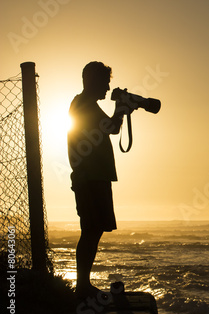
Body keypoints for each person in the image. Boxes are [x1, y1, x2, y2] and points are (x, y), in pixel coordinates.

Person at [68, 61, 130, 298]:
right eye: (104, 82)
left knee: (92, 230)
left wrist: (121, 110)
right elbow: (112, 127)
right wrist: (122, 108)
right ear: (92, 81)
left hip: (93, 176)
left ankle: (83, 284)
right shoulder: (85, 106)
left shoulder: (83, 104)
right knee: (91, 230)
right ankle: (82, 286)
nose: (107, 88)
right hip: (91, 177)